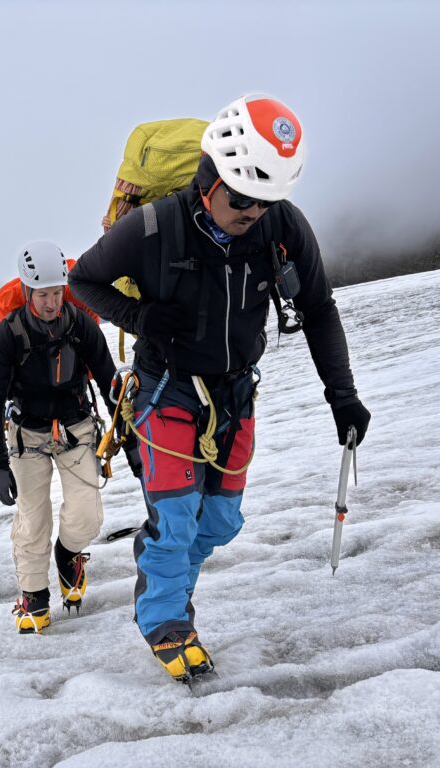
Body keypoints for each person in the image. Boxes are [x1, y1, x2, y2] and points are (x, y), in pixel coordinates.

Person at [68, 94, 371, 682]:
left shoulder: (281, 225)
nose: (252, 213)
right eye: (241, 200)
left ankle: (171, 586)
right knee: (176, 519)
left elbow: (318, 307)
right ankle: (166, 622)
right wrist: (141, 318)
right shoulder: (154, 227)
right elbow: (84, 280)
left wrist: (343, 395)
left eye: (264, 201)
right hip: (166, 388)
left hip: (234, 394)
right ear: (209, 179)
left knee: (220, 522)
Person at [0, 241, 136, 634]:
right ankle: (34, 597)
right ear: (27, 291)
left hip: (76, 426)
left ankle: (68, 555)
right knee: (33, 520)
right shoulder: (8, 334)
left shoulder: (79, 324)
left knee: (87, 516)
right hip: (26, 434)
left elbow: (108, 380)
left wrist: (128, 436)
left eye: (57, 293)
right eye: (42, 295)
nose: (51, 303)